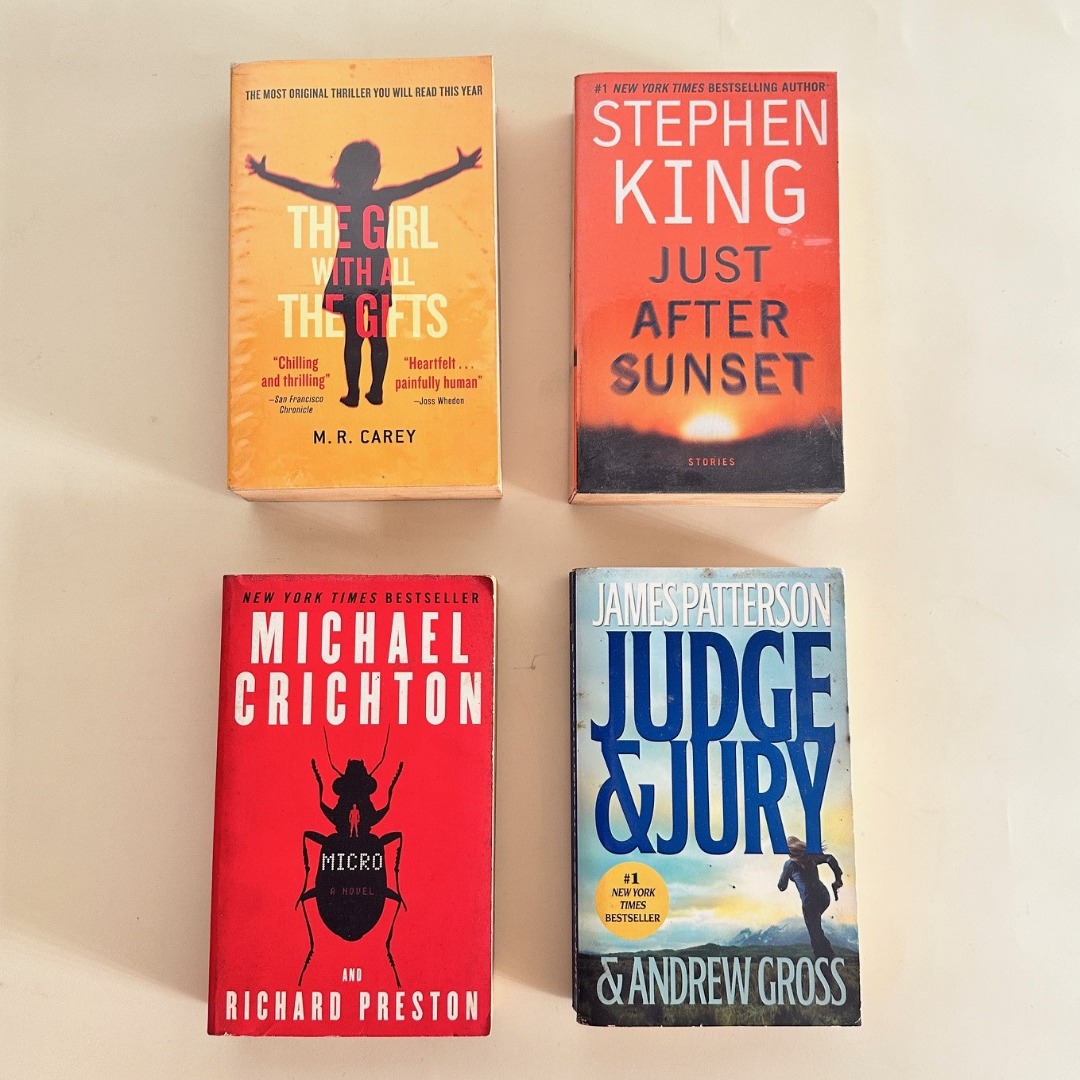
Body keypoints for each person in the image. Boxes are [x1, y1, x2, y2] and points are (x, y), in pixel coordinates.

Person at [246, 141, 481, 406]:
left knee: (353, 338)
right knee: (378, 336)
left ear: (343, 171)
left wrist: (265, 174)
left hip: (349, 275)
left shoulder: (341, 197)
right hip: (377, 275)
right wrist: (459, 167)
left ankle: (354, 393)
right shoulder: (383, 196)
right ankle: (376, 391)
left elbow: (300, 186)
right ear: (374, 172)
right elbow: (423, 183)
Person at [777, 835, 844, 959]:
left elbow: (782, 886)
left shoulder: (789, 864)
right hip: (824, 897)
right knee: (816, 928)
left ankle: (825, 960)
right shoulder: (811, 857)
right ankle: (828, 958)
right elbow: (829, 858)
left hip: (809, 902)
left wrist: (786, 877)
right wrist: (838, 879)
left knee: (815, 933)